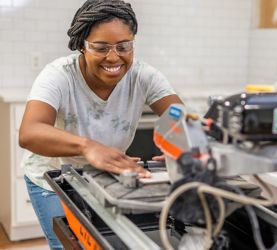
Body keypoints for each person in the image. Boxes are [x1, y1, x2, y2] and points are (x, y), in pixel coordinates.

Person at [18, 0, 182, 249]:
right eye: (101, 47)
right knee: (69, 243)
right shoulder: (59, 75)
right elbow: (30, 133)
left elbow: (179, 119)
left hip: (102, 174)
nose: (114, 57)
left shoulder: (144, 76)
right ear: (82, 46)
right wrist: (87, 147)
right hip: (52, 177)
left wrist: (179, 149)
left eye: (123, 46)